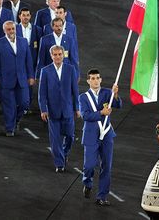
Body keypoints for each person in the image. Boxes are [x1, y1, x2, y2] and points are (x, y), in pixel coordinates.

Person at [79, 68, 122, 206]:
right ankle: (87, 182)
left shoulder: (107, 93)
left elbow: (118, 105)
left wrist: (115, 94)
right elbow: (85, 115)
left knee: (106, 167)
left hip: (107, 135)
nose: (95, 80)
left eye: (97, 78)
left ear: (101, 79)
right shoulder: (83, 97)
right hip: (91, 135)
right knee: (89, 165)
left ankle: (102, 196)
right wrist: (101, 112)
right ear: (88, 81)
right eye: (92, 78)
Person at [38, 45, 79, 172]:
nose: (57, 57)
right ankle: (59, 164)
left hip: (68, 110)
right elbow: (42, 93)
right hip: (52, 111)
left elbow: (75, 90)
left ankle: (64, 153)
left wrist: (77, 108)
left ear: (63, 55)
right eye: (55, 55)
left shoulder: (71, 69)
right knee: (55, 139)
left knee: (70, 136)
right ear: (51, 56)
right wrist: (43, 109)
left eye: (59, 54)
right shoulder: (45, 71)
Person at [0, 21, 34, 137]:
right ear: (4, 31)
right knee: (9, 106)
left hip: (22, 79)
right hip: (5, 80)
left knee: (25, 103)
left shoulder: (23, 42)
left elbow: (28, 61)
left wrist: (31, 76)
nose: (11, 31)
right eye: (8, 29)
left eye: (13, 29)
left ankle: (17, 120)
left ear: (16, 29)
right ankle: (10, 128)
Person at [16, 7, 42, 113]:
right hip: (19, 63)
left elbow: (40, 47)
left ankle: (27, 105)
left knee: (30, 84)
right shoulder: (15, 29)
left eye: (27, 15)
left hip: (32, 63)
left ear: (30, 16)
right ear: (19, 16)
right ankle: (19, 103)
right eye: (23, 15)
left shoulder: (37, 30)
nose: (26, 17)